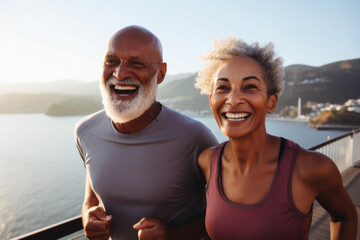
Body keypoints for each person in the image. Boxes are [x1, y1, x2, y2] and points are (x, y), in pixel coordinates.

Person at [195, 37, 358, 240]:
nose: (234, 99)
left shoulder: (311, 168)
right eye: (223, 88)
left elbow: (345, 216)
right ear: (212, 100)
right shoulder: (207, 162)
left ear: (271, 102)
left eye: (249, 87)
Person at [74, 25, 218, 240]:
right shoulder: (86, 132)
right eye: (111, 61)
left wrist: (174, 235)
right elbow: (92, 192)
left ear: (161, 73)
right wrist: (87, 216)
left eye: (136, 63)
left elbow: (224, 212)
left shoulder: (195, 136)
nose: (120, 73)